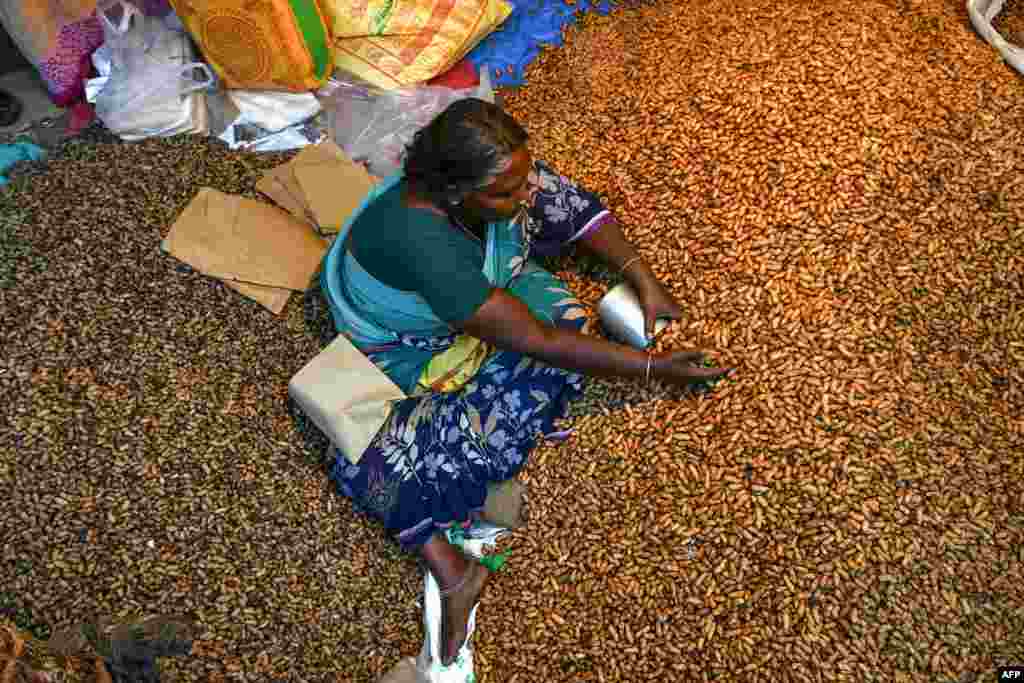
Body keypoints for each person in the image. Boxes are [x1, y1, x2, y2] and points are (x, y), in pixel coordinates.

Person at [320, 98, 731, 666]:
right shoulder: (427, 246)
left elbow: (554, 198)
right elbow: (539, 341)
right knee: (366, 444)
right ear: (452, 190)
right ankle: (451, 569)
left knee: (552, 234)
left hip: (472, 289)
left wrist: (642, 278)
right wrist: (655, 369)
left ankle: (453, 558)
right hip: (411, 346)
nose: (522, 196)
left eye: (519, 179)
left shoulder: (481, 189)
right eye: (503, 194)